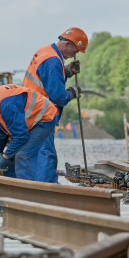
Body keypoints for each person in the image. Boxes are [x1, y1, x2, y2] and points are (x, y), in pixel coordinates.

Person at [19, 27, 86, 183]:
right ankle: (47, 189)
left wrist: (67, 72)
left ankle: (32, 187)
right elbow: (58, 97)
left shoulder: (45, 51)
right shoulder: (54, 61)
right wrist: (72, 92)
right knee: (46, 154)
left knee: (34, 153)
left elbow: (46, 78)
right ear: (68, 44)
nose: (73, 55)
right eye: (75, 50)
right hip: (41, 115)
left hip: (30, 111)